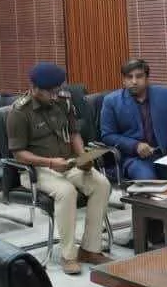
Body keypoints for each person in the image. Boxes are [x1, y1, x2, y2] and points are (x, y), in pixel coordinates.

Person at [7, 62, 113, 275]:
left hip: (68, 164)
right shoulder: (19, 112)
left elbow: (74, 133)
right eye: (50, 92)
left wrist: (83, 157)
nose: (55, 96)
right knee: (66, 191)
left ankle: (90, 249)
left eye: (57, 90)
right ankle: (68, 255)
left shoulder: (64, 101)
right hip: (37, 170)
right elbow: (18, 153)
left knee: (101, 184)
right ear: (34, 88)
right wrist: (50, 163)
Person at [100, 58, 167, 243]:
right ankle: (151, 235)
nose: (134, 81)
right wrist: (135, 146)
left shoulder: (166, 95)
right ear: (123, 80)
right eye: (129, 77)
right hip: (134, 159)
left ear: (147, 77)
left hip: (164, 156)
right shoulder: (111, 101)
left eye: (139, 76)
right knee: (148, 180)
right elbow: (107, 135)